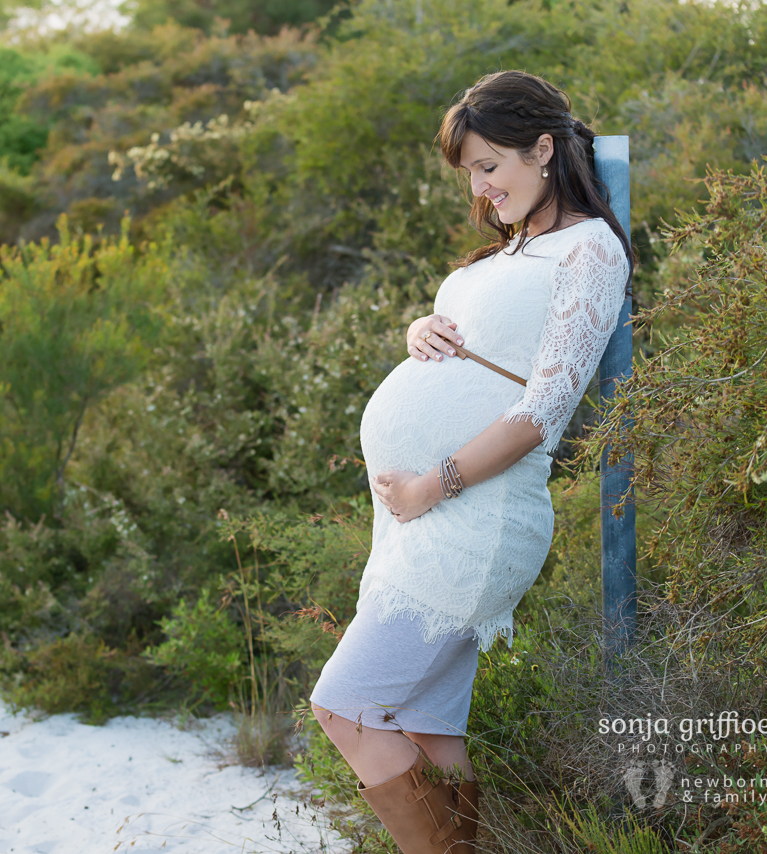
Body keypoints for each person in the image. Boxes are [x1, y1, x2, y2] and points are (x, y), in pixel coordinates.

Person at [308, 70, 633, 854]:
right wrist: (424, 327)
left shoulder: (589, 250)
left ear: (544, 149)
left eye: (491, 166)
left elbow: (539, 414)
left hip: (470, 516)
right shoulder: (509, 251)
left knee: (344, 706)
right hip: (421, 523)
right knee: (425, 726)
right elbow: (479, 339)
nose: (483, 189)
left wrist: (427, 485)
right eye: (471, 175)